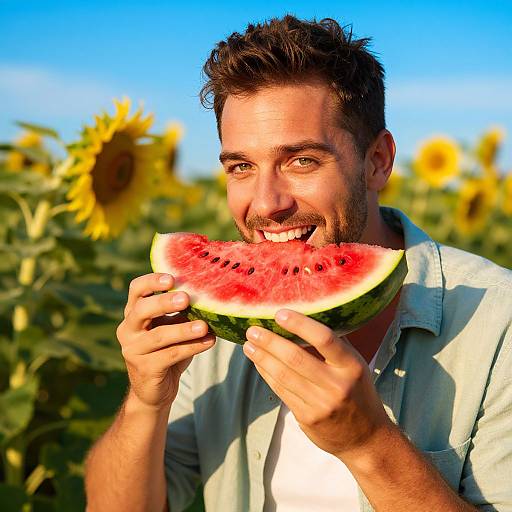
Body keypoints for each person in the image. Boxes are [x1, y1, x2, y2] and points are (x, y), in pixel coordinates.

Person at [84, 16, 512, 512]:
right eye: (241, 166)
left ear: (377, 160)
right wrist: (145, 400)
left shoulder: (498, 324)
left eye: (301, 161)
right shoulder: (215, 331)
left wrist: (369, 444)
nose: (265, 204)